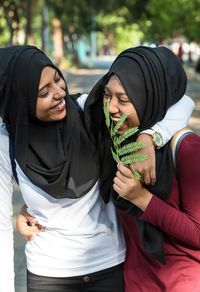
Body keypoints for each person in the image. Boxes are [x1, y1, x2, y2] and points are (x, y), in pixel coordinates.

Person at [0, 45, 194, 292]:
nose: (59, 92)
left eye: (58, 79)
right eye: (44, 92)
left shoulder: (85, 109)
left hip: (109, 266)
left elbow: (182, 101)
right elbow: (1, 230)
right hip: (47, 274)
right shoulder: (6, 142)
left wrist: (150, 137)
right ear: (20, 99)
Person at [84, 46, 200, 291]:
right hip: (135, 280)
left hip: (182, 282)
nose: (112, 107)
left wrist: (142, 198)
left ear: (150, 97)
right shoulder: (115, 139)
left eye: (124, 99)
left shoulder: (187, 148)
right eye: (107, 94)